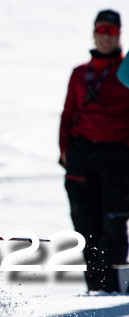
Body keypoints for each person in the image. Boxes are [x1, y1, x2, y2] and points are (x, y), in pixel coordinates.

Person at [59, 9, 129, 293]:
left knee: (113, 223)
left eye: (111, 32)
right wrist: (65, 151)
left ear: (119, 35)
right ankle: (94, 290)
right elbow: (68, 114)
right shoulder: (79, 73)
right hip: (82, 156)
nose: (105, 37)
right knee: (85, 227)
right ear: (93, 33)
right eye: (101, 31)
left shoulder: (126, 72)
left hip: (117, 157)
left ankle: (116, 290)